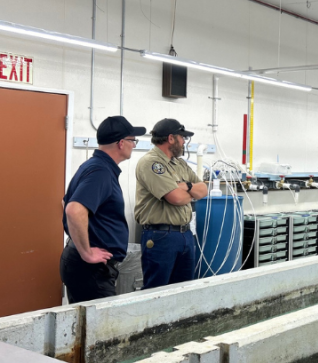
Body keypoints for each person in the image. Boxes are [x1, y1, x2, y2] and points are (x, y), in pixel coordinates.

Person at [60, 116, 146, 303]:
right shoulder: (101, 172)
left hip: (83, 265)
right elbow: (73, 210)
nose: (134, 145)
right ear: (121, 143)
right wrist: (87, 253)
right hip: (90, 269)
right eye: (133, 140)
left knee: (85, 326)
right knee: (98, 329)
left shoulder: (93, 167)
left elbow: (64, 202)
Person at [135, 118, 208, 289]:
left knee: (183, 291)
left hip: (184, 234)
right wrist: (191, 194)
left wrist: (187, 186)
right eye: (182, 138)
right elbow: (176, 198)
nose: (184, 142)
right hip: (160, 237)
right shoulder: (151, 163)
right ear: (171, 138)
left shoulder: (180, 164)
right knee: (157, 292)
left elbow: (204, 190)